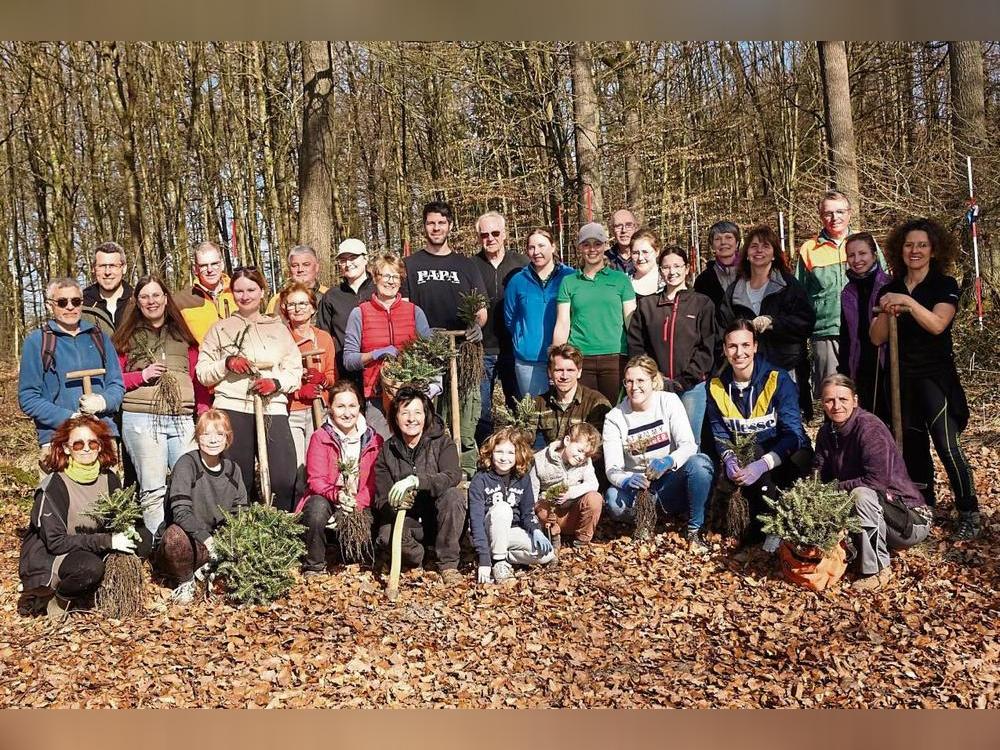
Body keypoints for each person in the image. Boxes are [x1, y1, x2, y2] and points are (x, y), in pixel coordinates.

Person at [872, 218, 980, 540]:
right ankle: (923, 506)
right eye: (908, 245)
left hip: (935, 378)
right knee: (913, 446)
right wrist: (885, 310)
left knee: (947, 445)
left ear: (933, 250)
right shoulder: (889, 288)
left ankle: (969, 509)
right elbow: (876, 338)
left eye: (921, 245)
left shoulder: (944, 284)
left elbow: (937, 324)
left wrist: (907, 303)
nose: (914, 250)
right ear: (899, 250)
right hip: (900, 379)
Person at [196, 267, 302, 511]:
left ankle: (279, 528)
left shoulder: (278, 329)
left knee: (283, 477)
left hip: (271, 407)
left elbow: (294, 371)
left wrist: (275, 383)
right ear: (231, 293)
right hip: (232, 405)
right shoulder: (220, 329)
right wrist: (226, 363)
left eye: (251, 290)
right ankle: (239, 530)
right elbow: (203, 373)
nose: (245, 296)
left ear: (262, 292)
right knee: (236, 477)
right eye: (239, 291)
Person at [813, 375, 933, 591]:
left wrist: (830, 490)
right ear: (822, 403)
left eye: (843, 399)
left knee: (861, 494)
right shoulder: (826, 432)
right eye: (829, 400)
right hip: (874, 512)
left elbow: (875, 482)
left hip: (908, 518)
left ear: (855, 400)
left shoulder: (869, 429)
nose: (836, 406)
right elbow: (818, 474)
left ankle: (877, 569)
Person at [113, 275, 208, 537]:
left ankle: (190, 542)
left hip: (181, 418)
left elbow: (197, 376)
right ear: (137, 302)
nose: (151, 301)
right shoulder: (125, 338)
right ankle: (159, 545)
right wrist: (141, 376)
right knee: (153, 488)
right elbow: (113, 380)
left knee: (190, 483)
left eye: (156, 295)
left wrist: (202, 410)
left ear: (166, 299)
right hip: (141, 417)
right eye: (145, 296)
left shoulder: (183, 335)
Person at [706, 320, 813, 554]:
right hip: (749, 452)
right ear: (724, 349)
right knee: (745, 459)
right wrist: (729, 458)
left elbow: (793, 434)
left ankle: (774, 529)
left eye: (745, 345)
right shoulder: (716, 386)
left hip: (788, 452)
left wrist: (763, 464)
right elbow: (719, 432)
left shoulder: (778, 379)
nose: (739, 352)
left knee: (764, 458)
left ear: (755, 346)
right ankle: (752, 528)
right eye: (732, 346)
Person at [18, 416, 139, 619]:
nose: (86, 449)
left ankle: (104, 595)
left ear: (100, 447)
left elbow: (119, 517)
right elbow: (56, 542)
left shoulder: (109, 478)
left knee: (142, 542)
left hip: (88, 546)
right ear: (66, 448)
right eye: (78, 443)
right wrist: (108, 541)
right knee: (89, 568)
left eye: (92, 443)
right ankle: (57, 599)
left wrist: (128, 531)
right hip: (54, 555)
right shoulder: (54, 485)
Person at [402, 201, 488, 471]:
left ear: (450, 225)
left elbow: (481, 309)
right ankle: (430, 473)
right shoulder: (411, 265)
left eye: (441, 222)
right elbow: (404, 307)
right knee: (429, 416)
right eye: (431, 223)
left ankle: (465, 474)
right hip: (427, 354)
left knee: (465, 419)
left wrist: (476, 325)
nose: (436, 228)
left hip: (464, 352)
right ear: (424, 226)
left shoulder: (466, 264)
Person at [603, 356, 714, 550]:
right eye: (628, 381)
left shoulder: (668, 401)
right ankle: (645, 519)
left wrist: (669, 461)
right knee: (613, 499)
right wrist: (627, 480)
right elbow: (612, 468)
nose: (634, 387)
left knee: (700, 463)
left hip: (669, 483)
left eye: (640, 381)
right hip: (639, 489)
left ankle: (695, 528)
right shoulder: (615, 418)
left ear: (653, 381)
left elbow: (688, 445)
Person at [18, 277, 125, 458]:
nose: (70, 307)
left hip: (101, 435)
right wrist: (69, 418)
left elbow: (117, 384)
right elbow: (28, 398)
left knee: (107, 487)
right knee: (61, 487)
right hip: (57, 438)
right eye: (62, 302)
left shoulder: (98, 337)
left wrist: (103, 401)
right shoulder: (37, 342)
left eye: (76, 301)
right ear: (49, 305)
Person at [373, 386, 466, 586]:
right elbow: (381, 500)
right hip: (408, 522)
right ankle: (419, 557)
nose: (411, 418)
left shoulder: (442, 442)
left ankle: (448, 564)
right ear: (395, 418)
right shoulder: (387, 451)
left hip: (438, 519)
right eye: (404, 412)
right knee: (387, 537)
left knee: (454, 496)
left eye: (417, 412)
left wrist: (417, 481)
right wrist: (396, 503)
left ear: (426, 415)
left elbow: (452, 475)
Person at [155, 409, 249, 604]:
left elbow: (240, 512)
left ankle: (210, 573)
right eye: (206, 434)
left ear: (227, 438)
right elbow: (180, 511)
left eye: (219, 434)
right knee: (174, 537)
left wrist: (225, 541)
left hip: (216, 543)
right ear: (198, 437)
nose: (213, 440)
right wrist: (206, 539)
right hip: (187, 540)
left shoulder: (233, 469)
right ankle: (184, 582)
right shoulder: (186, 464)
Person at [628, 245, 715, 442]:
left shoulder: (702, 303)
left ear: (687, 269)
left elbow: (707, 346)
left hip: (691, 387)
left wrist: (686, 379)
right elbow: (637, 345)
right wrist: (652, 376)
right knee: (659, 441)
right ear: (660, 270)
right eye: (666, 267)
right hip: (655, 386)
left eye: (677, 266)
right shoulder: (647, 305)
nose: (672, 272)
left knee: (690, 441)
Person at [296, 381, 384, 575]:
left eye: (352, 406)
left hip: (360, 500)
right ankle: (314, 564)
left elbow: (374, 482)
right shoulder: (320, 437)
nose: (347, 413)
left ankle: (357, 556)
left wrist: (357, 503)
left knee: (357, 551)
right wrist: (338, 496)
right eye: (340, 406)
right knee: (316, 510)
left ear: (360, 406)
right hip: (329, 497)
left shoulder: (374, 440)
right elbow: (316, 480)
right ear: (330, 408)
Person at [552, 222, 636, 404]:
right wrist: (556, 360)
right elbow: (563, 323)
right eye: (586, 244)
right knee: (584, 413)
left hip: (615, 358)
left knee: (615, 412)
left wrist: (638, 355)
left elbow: (631, 321)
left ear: (605, 246)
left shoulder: (620, 280)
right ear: (579, 248)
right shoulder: (569, 282)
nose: (592, 249)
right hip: (580, 358)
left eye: (597, 244)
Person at [717, 225, 814, 378]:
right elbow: (723, 327)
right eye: (754, 246)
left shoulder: (788, 286)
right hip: (746, 370)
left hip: (786, 367)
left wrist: (773, 323)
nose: (759, 251)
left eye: (765, 246)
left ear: (774, 254)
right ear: (747, 254)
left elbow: (805, 323)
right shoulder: (735, 291)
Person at [342, 252, 433, 409]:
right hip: (376, 395)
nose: (391, 282)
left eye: (396, 277)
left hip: (411, 395)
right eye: (386, 276)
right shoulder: (360, 313)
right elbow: (348, 360)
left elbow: (430, 352)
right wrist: (374, 354)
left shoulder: (414, 311)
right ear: (376, 278)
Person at [469, 427, 555, 586]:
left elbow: (527, 513)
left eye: (510, 453)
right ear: (491, 453)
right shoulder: (480, 480)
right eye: (499, 452)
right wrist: (484, 561)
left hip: (510, 531)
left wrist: (536, 530)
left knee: (546, 555)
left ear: (518, 455)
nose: (504, 458)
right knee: (503, 508)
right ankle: (499, 562)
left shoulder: (522, 478)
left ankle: (502, 554)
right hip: (487, 531)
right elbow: (476, 521)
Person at [472, 211, 529, 441]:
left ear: (505, 234)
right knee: (482, 410)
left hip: (514, 349)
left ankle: (519, 451)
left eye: (495, 233)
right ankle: (486, 454)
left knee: (517, 404)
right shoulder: (471, 266)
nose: (490, 238)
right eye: (484, 234)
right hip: (481, 349)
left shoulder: (522, 265)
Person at [277, 283, 338, 493]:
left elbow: (331, 377)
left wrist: (322, 380)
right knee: (297, 466)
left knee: (318, 462)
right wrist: (297, 391)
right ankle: (298, 509)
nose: (297, 308)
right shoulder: (281, 338)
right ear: (284, 308)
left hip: (319, 409)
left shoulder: (323, 338)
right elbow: (276, 378)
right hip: (292, 410)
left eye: (303, 303)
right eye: (291, 304)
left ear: (313, 307)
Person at [797, 191, 858, 396]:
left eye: (840, 211)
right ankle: (831, 428)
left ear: (850, 214)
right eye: (828, 213)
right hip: (825, 332)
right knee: (832, 392)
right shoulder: (809, 249)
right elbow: (799, 294)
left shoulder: (864, 244)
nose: (835, 218)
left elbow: (882, 283)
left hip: (863, 330)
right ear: (821, 216)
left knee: (862, 390)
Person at [503, 228, 575, 398]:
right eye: (531, 247)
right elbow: (510, 319)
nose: (536, 252)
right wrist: (524, 337)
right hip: (529, 361)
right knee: (535, 415)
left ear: (553, 247)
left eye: (541, 246)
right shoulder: (518, 281)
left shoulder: (570, 277)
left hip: (564, 360)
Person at [838, 232, 890, 415]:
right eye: (851, 255)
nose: (857, 259)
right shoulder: (847, 292)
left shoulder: (888, 286)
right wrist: (843, 370)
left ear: (874, 255)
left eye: (862, 253)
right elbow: (845, 335)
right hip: (859, 365)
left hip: (886, 364)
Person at [531, 422, 604, 550]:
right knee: (540, 507)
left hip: (572, 515)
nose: (581, 457)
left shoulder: (585, 462)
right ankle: (553, 537)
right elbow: (531, 496)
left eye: (586, 454)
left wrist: (570, 493)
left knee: (595, 498)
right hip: (549, 515)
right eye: (580, 450)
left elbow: (594, 483)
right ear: (567, 441)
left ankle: (582, 541)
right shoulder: (539, 460)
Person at [316, 238, 376, 391]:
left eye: (353, 258)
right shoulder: (331, 297)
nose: (348, 264)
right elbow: (324, 337)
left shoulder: (380, 290)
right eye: (343, 260)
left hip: (377, 370)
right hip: (345, 374)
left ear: (365, 258)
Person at [532, 344, 612, 448]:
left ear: (579, 372)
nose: (564, 376)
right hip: (550, 460)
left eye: (570, 370)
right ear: (550, 373)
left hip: (584, 461)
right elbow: (523, 441)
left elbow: (600, 447)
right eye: (559, 370)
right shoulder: (539, 403)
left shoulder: (596, 403)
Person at [175, 241, 236, 344]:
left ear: (222, 265)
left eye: (214, 264)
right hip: (203, 359)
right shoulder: (180, 302)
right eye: (203, 266)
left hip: (241, 358)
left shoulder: (238, 293)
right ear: (195, 269)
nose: (209, 270)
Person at [82, 241, 132, 335]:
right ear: (93, 269)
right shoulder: (81, 304)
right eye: (102, 266)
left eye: (113, 266)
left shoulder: (138, 301)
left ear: (124, 268)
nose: (107, 272)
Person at [265, 245, 329, 315]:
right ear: (289, 269)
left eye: (306, 264)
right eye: (295, 265)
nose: (300, 269)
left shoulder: (329, 296)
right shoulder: (277, 300)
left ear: (316, 267)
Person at [694, 221, 742, 310]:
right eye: (717, 239)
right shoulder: (703, 281)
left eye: (729, 237)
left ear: (737, 243)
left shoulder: (751, 272)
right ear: (712, 246)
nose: (723, 242)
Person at [628, 229, 662, 297]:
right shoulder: (625, 283)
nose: (640, 258)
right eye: (635, 253)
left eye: (645, 252)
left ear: (657, 252)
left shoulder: (668, 281)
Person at [606, 209, 638, 274]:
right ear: (612, 231)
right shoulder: (605, 259)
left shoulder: (645, 257)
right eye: (618, 226)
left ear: (636, 228)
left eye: (628, 225)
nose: (624, 230)